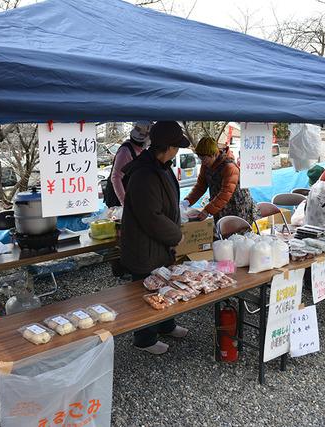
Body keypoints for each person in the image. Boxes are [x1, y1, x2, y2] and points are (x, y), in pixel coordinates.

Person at [120, 121, 190, 354]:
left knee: (164, 284)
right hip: (144, 245)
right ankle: (144, 338)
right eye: (177, 146)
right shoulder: (143, 173)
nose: (178, 150)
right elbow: (151, 216)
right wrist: (176, 235)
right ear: (168, 147)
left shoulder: (162, 165)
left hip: (158, 244)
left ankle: (166, 325)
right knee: (146, 290)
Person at [184, 137, 257, 226]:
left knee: (238, 236)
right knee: (223, 236)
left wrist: (207, 210)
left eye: (204, 158)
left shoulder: (229, 167)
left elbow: (225, 192)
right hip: (219, 206)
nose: (202, 162)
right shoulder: (206, 165)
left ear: (214, 154)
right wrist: (187, 201)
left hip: (237, 206)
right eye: (200, 158)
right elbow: (200, 186)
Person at [103, 121, 152, 208]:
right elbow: (116, 178)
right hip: (117, 200)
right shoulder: (125, 151)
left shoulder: (141, 150)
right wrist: (125, 203)